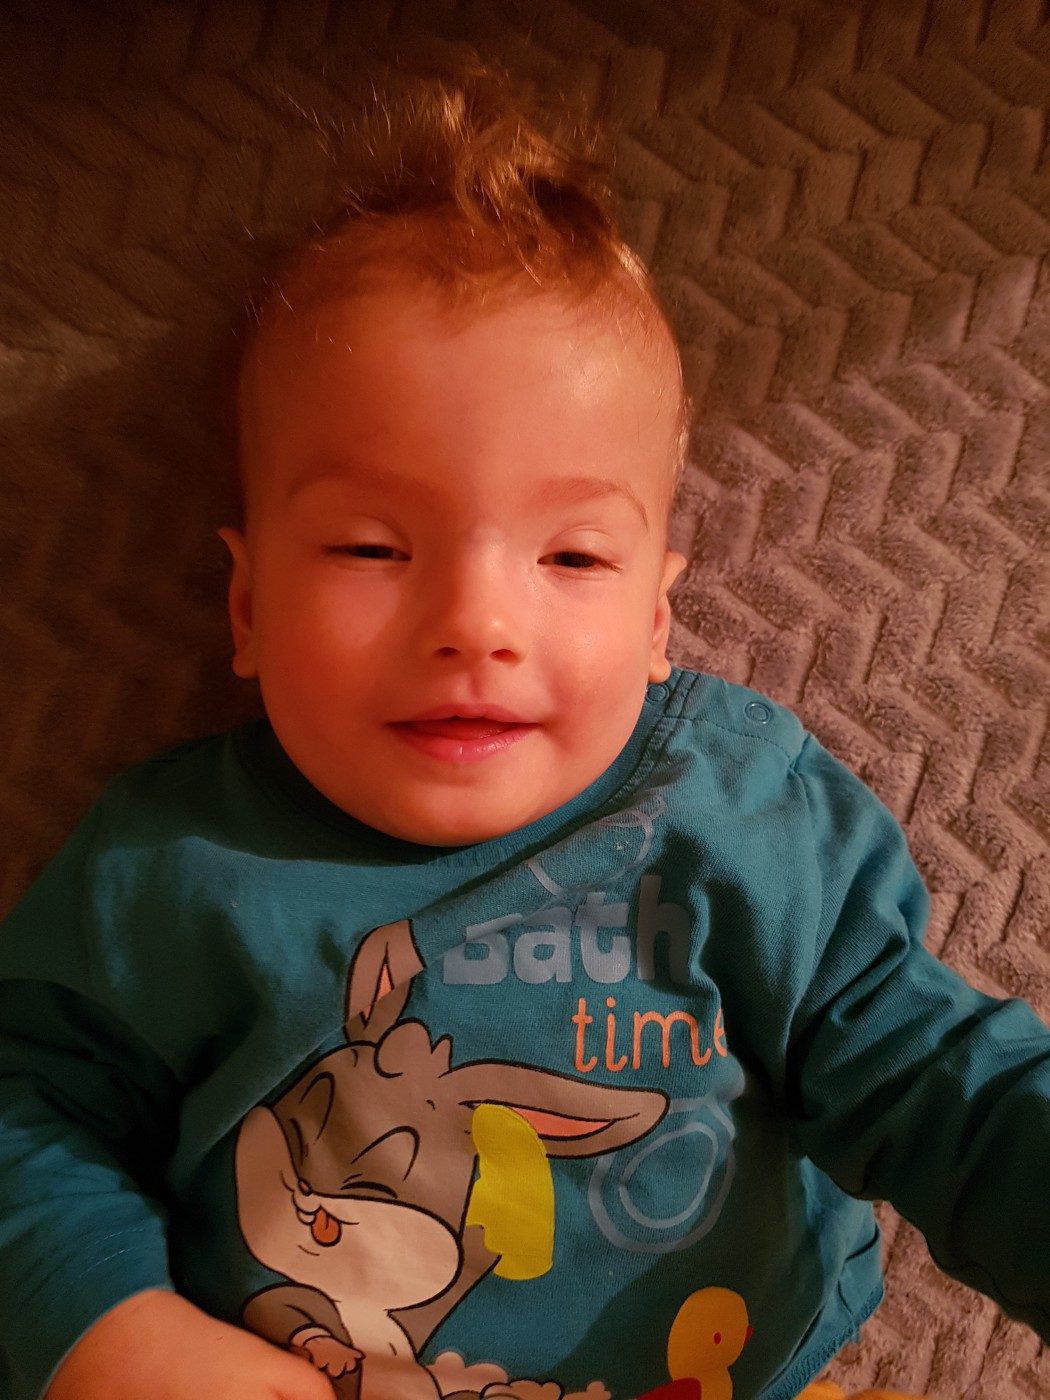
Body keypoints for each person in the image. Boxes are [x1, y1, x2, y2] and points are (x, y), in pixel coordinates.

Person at [0, 49, 1046, 1400]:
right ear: (246, 607)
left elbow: (936, 1078)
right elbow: (27, 1112)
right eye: (373, 548)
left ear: (658, 620)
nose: (475, 622)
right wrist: (116, 1334)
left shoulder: (737, 811)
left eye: (571, 558)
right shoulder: (171, 865)